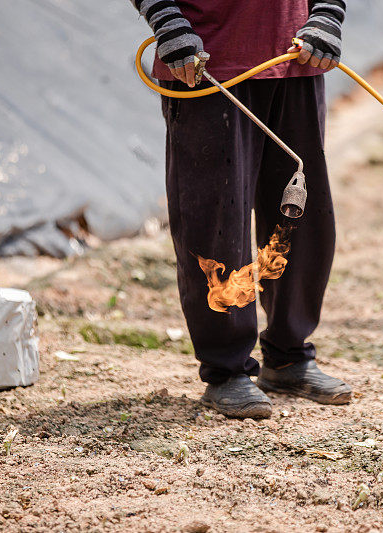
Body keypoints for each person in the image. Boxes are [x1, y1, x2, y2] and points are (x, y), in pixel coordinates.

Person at [129, 0, 352, 419]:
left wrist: (326, 14)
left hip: (295, 56)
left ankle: (288, 357)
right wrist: (167, 19)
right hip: (206, 60)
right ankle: (227, 370)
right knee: (215, 223)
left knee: (301, 214)